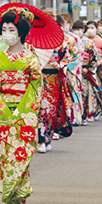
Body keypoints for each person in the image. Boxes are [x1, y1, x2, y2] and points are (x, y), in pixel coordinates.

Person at [0, 7, 42, 204]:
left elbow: (36, 86)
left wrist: (23, 111)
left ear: (21, 33)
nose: (7, 33)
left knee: (21, 155)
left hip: (23, 112)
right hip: (2, 112)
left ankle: (19, 200)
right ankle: (11, 198)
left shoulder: (30, 59)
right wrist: (0, 108)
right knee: (6, 156)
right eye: (4, 29)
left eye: (12, 29)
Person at [37, 12, 72, 153]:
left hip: (54, 78)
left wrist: (61, 64)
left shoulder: (60, 42)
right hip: (40, 77)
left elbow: (67, 57)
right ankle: (41, 139)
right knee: (41, 109)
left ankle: (47, 137)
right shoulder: (37, 41)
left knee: (50, 111)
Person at [59, 14, 84, 126]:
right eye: (62, 22)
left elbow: (78, 55)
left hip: (70, 70)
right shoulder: (55, 37)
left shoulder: (73, 39)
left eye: (66, 22)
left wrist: (68, 66)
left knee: (71, 92)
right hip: (57, 68)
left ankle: (74, 117)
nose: (64, 25)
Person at [74, 20, 101, 123]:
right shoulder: (73, 41)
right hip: (75, 70)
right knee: (76, 94)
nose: (77, 32)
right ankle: (77, 116)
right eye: (75, 29)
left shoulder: (89, 43)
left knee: (85, 93)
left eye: (79, 29)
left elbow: (94, 58)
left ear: (83, 30)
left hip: (86, 70)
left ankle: (84, 115)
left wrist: (88, 68)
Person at [85, 20, 102, 119]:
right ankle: (89, 111)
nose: (90, 30)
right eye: (88, 28)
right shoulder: (83, 40)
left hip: (99, 68)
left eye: (92, 28)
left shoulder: (101, 40)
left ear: (96, 29)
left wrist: (100, 62)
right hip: (86, 68)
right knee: (87, 90)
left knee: (100, 87)